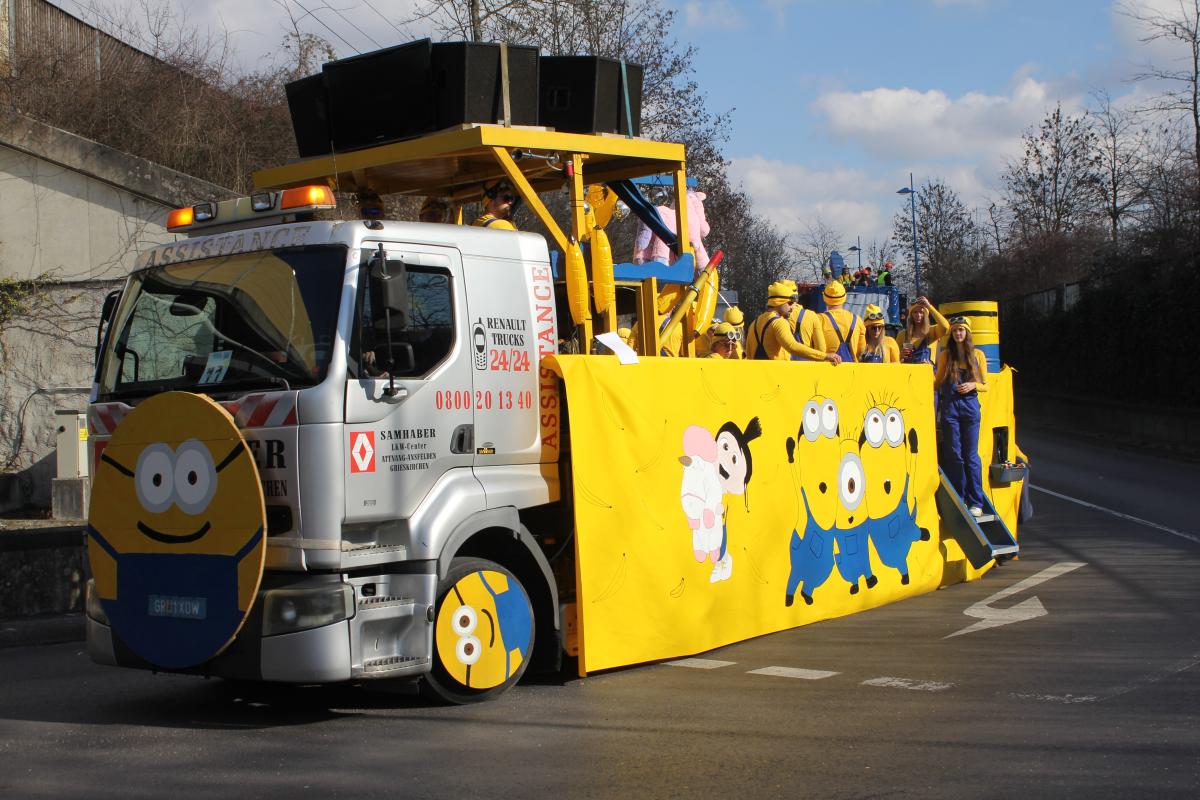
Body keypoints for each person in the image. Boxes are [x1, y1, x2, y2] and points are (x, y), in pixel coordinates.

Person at [935, 316, 989, 517]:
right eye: (955, 330)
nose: (958, 333)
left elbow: (985, 385)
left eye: (961, 330)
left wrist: (973, 385)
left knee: (971, 456)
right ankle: (960, 497)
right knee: (954, 454)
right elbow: (937, 382)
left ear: (967, 333)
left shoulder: (978, 355)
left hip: (970, 408)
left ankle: (976, 501)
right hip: (951, 408)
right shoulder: (946, 355)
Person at [746, 282, 842, 363]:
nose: (792, 307)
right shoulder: (779, 322)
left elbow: (749, 355)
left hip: (758, 376)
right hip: (777, 376)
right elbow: (791, 346)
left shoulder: (754, 323)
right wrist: (825, 356)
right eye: (790, 303)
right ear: (778, 302)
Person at [896, 295, 950, 367]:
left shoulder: (932, 331)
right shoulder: (902, 335)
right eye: (915, 312)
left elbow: (946, 327)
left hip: (927, 372)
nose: (918, 315)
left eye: (921, 312)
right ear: (911, 315)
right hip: (908, 372)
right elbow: (894, 359)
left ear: (926, 315)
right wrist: (900, 355)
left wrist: (929, 306)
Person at [819, 281, 865, 363]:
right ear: (845, 298)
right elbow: (861, 351)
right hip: (852, 369)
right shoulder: (857, 320)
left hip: (827, 368)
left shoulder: (819, 319)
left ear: (824, 298)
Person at [781, 280, 827, 360]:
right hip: (805, 365)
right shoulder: (811, 316)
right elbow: (821, 349)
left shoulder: (773, 317)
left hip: (780, 365)